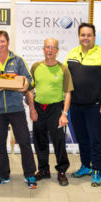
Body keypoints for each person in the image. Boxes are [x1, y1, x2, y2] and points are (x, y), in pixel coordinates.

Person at [0, 31, 38, 188]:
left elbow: (30, 81)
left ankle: (30, 175)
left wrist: (23, 86)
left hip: (16, 109)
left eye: (2, 41)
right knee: (0, 144)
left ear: (7, 42)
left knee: (24, 142)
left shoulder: (17, 60)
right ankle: (2, 175)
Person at [66, 23, 101, 187]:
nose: (85, 38)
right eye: (83, 35)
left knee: (95, 139)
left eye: (89, 35)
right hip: (75, 106)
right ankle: (86, 166)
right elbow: (66, 79)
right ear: (79, 36)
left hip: (95, 106)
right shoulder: (72, 54)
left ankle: (96, 169)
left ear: (94, 37)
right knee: (82, 139)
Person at [27, 38, 73, 186]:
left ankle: (61, 171)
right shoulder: (36, 67)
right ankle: (43, 170)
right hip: (39, 108)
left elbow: (68, 93)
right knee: (40, 141)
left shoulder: (63, 69)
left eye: (53, 48)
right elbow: (29, 90)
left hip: (56, 109)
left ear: (57, 50)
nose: (50, 50)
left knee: (59, 141)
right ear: (43, 49)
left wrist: (64, 114)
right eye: (47, 47)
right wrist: (32, 109)